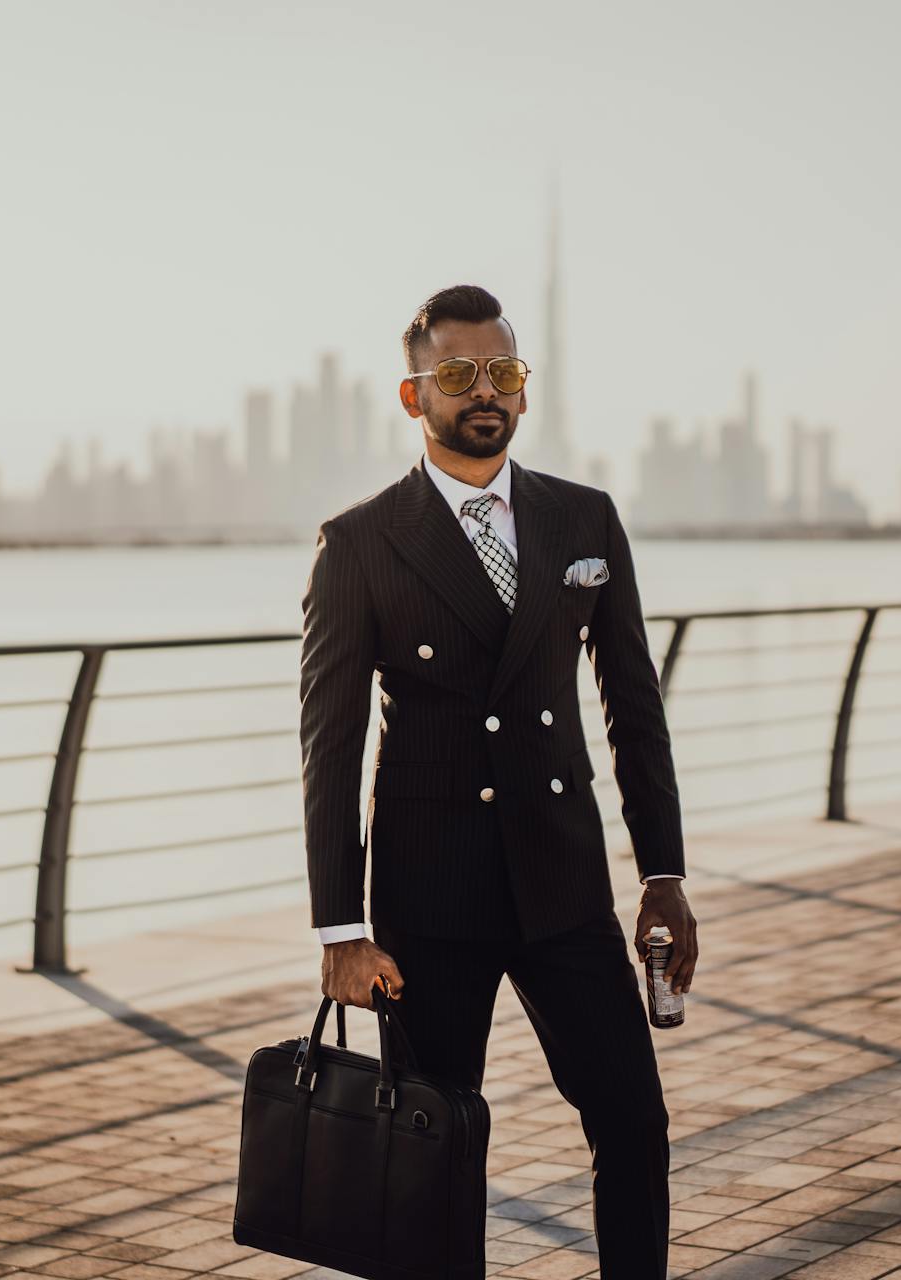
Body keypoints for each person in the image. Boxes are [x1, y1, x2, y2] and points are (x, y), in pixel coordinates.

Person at [296, 283, 699, 1274]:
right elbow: (330, 747)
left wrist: (664, 869)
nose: (486, 391)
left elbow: (631, 704)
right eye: (460, 374)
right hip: (428, 900)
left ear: (526, 389)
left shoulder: (585, 519)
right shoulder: (361, 542)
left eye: (504, 372)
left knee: (634, 1124)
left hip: (564, 884)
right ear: (412, 395)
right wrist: (340, 929)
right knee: (431, 1157)